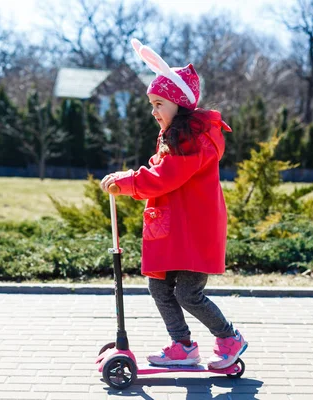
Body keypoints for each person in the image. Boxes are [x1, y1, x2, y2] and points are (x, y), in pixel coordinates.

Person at [99, 39, 247, 369]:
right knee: (159, 285)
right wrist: (130, 177)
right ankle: (182, 345)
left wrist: (127, 181)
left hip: (195, 230)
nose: (153, 110)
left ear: (179, 103)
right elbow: (158, 168)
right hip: (177, 226)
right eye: (151, 103)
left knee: (187, 293)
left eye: (159, 103)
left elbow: (164, 176)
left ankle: (228, 337)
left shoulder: (194, 140)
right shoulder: (174, 136)